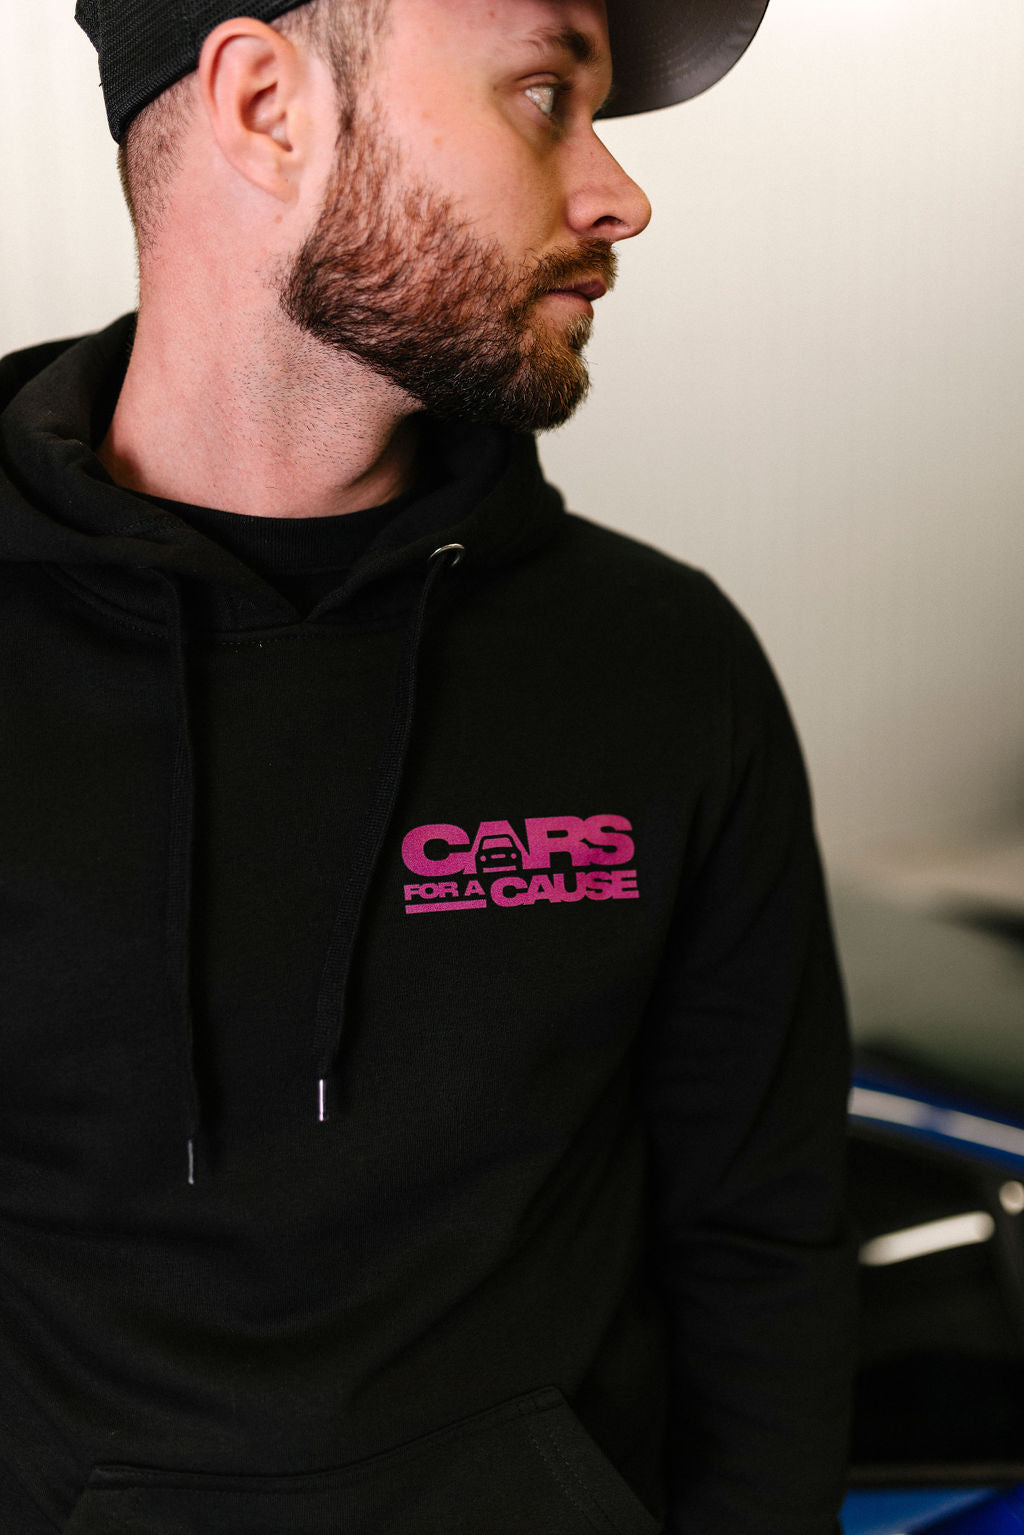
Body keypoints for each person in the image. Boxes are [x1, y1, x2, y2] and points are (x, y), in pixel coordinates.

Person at [0, 1, 854, 1530]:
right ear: (268, 107)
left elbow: (763, 1247)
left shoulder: (662, 663)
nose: (620, 194)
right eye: (543, 93)